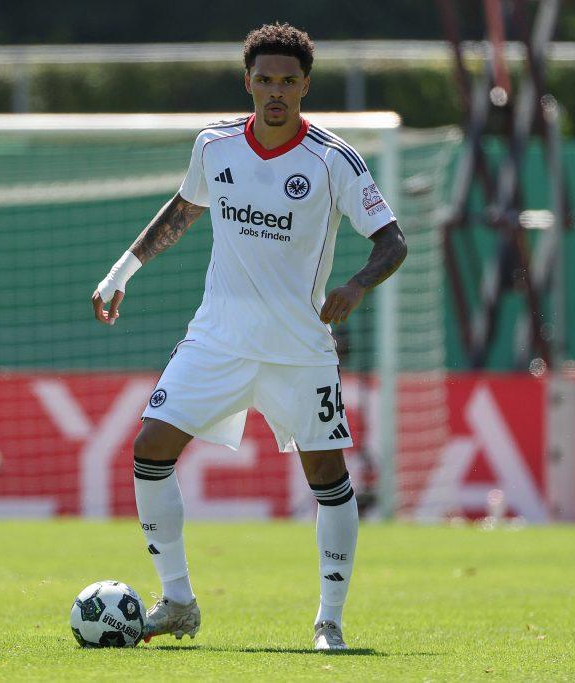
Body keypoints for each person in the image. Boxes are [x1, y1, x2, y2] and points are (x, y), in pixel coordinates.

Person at [91, 22, 407, 651]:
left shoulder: (333, 160)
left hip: (299, 348)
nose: (276, 92)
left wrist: (356, 286)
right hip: (217, 342)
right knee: (150, 449)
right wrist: (122, 270)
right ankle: (177, 600)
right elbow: (183, 210)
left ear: (305, 86)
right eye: (265, 80)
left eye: (289, 81)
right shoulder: (215, 146)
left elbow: (392, 242)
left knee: (328, 477)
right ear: (248, 82)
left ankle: (330, 621)